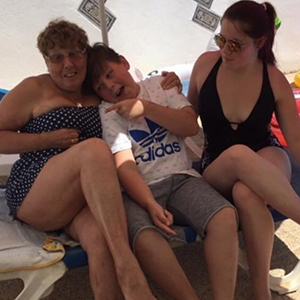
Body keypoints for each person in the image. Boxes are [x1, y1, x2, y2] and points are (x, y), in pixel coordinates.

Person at [0, 19, 181, 300]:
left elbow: (134, 87)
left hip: (88, 194)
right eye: (57, 57)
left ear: (85, 55)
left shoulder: (98, 89)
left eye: (74, 53)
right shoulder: (34, 88)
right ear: (46, 61)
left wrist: (168, 81)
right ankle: (129, 270)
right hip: (38, 190)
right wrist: (45, 140)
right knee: (95, 149)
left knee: (100, 239)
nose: (68, 64)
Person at [86, 43, 239, 300]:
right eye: (100, 86)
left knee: (224, 217)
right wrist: (148, 202)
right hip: (137, 191)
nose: (109, 86)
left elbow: (190, 126)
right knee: (144, 238)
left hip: (181, 178)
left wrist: (145, 108)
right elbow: (125, 166)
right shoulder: (108, 111)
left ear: (123, 62)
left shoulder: (160, 85)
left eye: (110, 74)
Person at [188, 1, 300, 300]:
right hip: (219, 165)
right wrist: (166, 93)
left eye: (236, 44)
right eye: (221, 39)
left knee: (247, 193)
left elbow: (296, 142)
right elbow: (186, 120)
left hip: (266, 154)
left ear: (260, 42)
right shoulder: (205, 66)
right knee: (238, 156)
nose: (225, 50)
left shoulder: (273, 79)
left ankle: (261, 293)